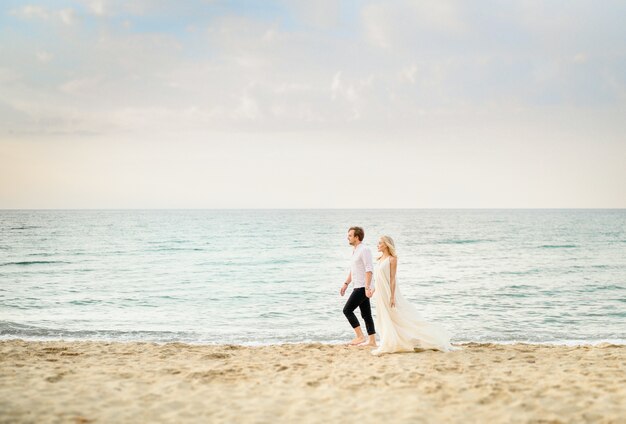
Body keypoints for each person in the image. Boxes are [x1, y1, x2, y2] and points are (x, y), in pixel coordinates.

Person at [367, 235, 456, 355]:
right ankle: (389, 341)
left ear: (386, 245)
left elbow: (393, 279)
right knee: (384, 317)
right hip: (380, 293)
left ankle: (419, 339)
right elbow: (378, 278)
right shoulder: (380, 258)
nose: (377, 245)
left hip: (388, 293)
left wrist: (392, 296)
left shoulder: (392, 259)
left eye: (380, 243)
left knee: (397, 316)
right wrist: (373, 290)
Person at [339, 226, 376, 346]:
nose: (347, 237)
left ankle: (360, 337)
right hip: (358, 285)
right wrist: (346, 284)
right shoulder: (355, 250)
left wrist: (367, 287)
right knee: (366, 314)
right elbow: (353, 270)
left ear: (357, 237)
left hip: (362, 287)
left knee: (347, 310)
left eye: (350, 235)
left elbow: (369, 269)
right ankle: (372, 341)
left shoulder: (364, 249)